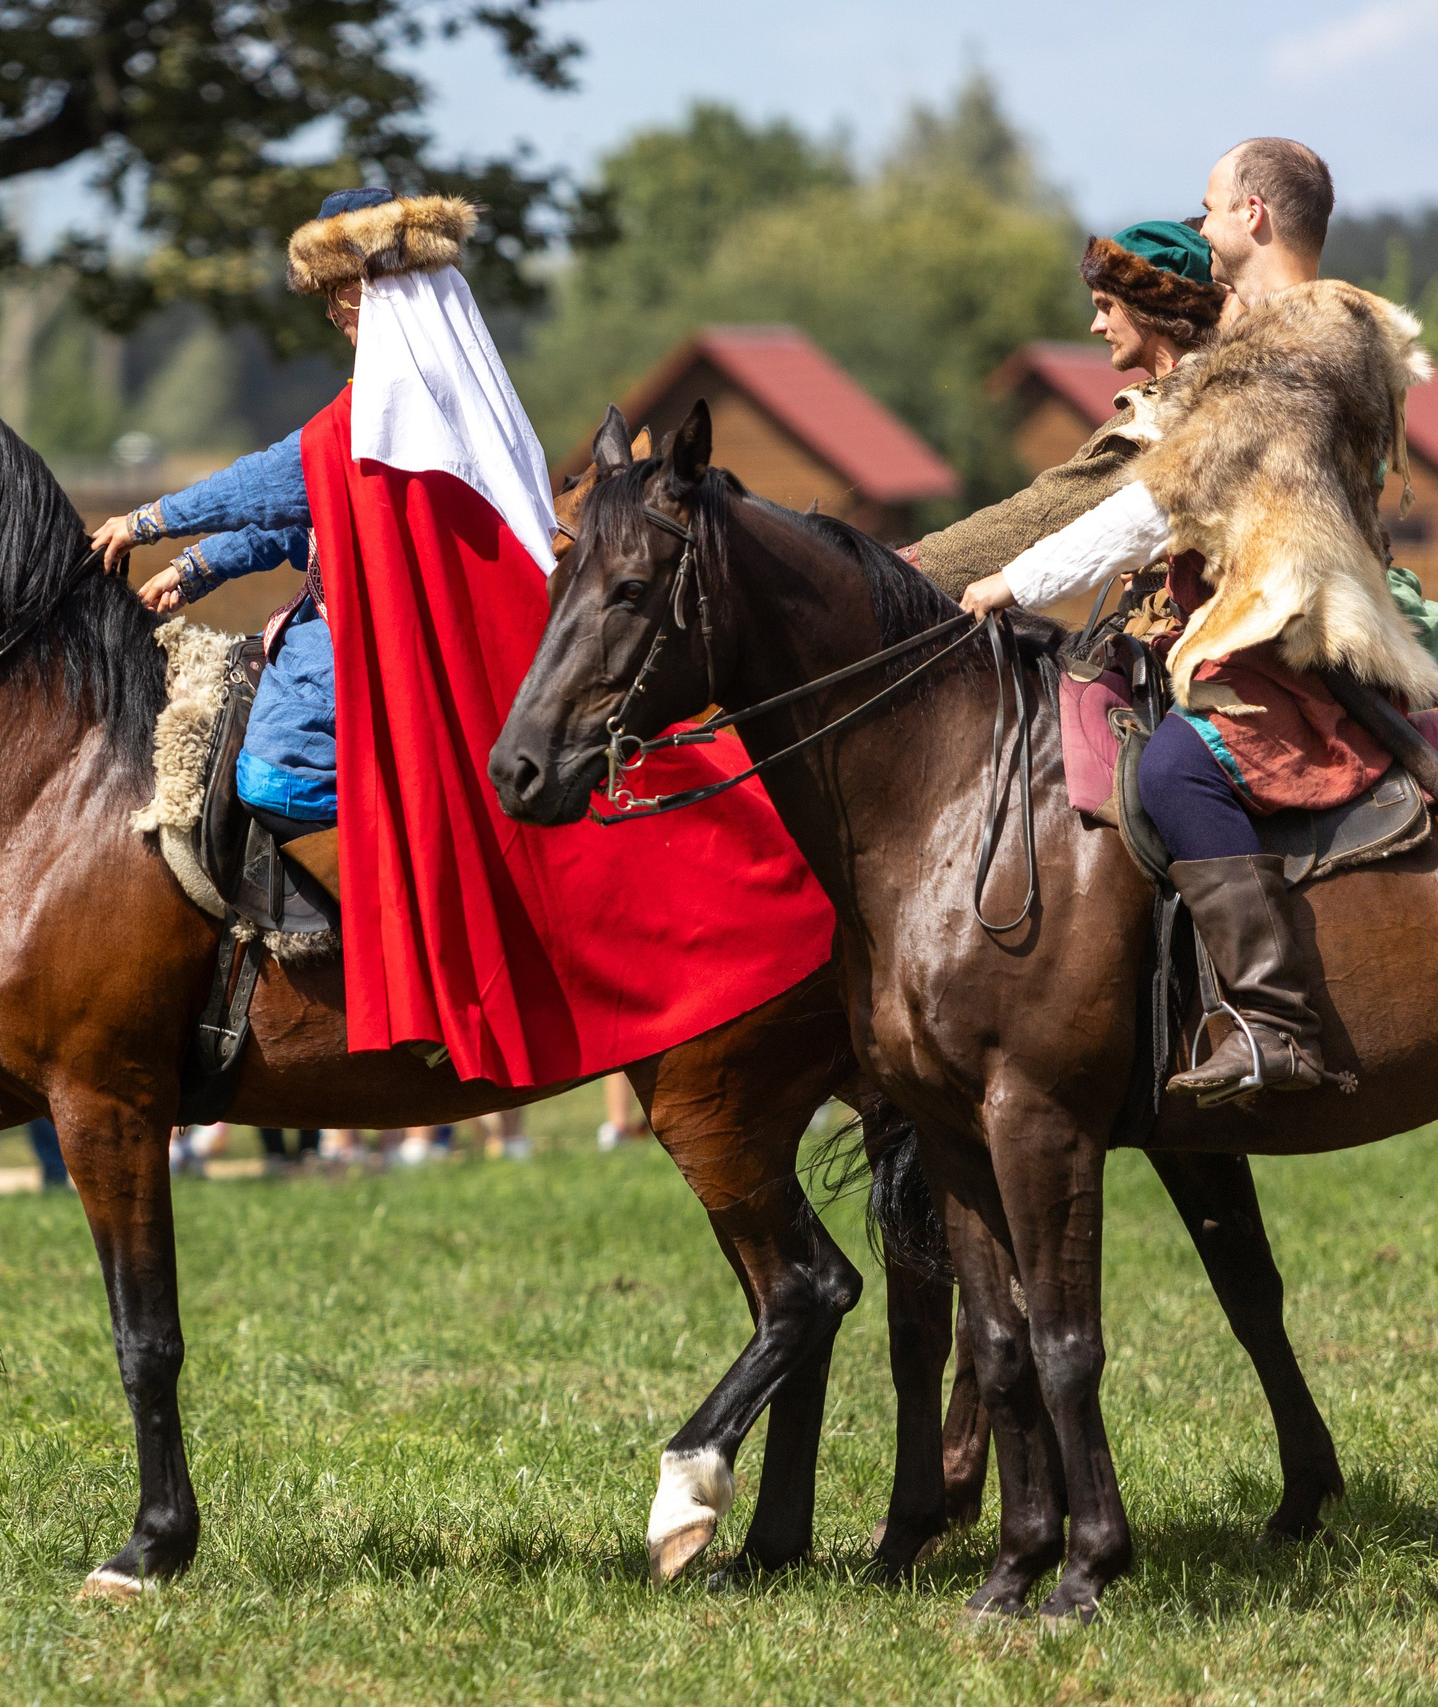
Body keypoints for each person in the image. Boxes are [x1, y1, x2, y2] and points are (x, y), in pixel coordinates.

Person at [104, 188, 832, 1088]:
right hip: (357, 645)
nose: (335, 312)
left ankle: (385, 947)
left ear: (391, 293)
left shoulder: (392, 408)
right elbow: (318, 513)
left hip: (370, 677)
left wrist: (152, 518)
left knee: (272, 768)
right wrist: (204, 565)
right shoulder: (412, 409)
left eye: (347, 292)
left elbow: (284, 475)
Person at [956, 140, 1433, 1103]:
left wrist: (1012, 581)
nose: (1201, 226)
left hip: (1292, 634)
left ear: (1253, 214)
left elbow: (1159, 502)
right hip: (1271, 620)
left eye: (1210, 207)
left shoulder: (1303, 340)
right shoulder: (1278, 338)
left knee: (1177, 765)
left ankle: (1280, 1024)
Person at [912, 220, 1229, 603]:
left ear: (1150, 306)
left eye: (1107, 307)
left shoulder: (1167, 417)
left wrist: (903, 570)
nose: (1097, 325)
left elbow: (1038, 515)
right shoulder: (1214, 389)